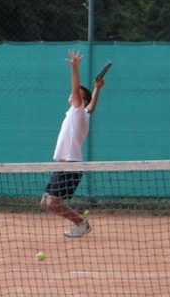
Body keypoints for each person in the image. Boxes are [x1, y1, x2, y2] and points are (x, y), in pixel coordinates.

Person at [40, 49, 104, 237]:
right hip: (63, 165)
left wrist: (75, 68)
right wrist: (98, 88)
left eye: (75, 95)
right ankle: (80, 223)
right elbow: (91, 106)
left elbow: (78, 92)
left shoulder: (78, 111)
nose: (71, 95)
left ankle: (81, 223)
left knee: (53, 204)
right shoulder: (81, 114)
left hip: (72, 165)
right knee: (44, 204)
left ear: (80, 100)